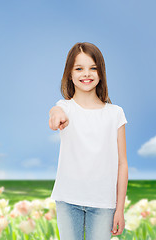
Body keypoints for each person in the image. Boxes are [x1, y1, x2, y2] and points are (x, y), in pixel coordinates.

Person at [48, 42, 129, 240]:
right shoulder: (64, 108)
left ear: (101, 73)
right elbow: (54, 114)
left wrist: (120, 209)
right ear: (69, 73)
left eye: (93, 68)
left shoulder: (115, 113)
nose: (87, 74)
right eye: (79, 68)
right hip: (68, 200)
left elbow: (122, 163)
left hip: (103, 203)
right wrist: (56, 115)